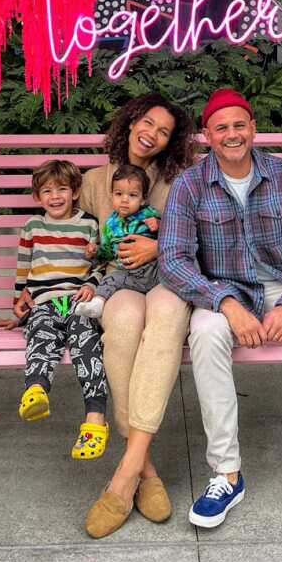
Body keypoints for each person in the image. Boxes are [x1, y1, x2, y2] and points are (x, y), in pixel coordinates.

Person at [159, 87, 282, 528]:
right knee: (208, 333)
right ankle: (226, 472)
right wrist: (225, 302)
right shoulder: (190, 184)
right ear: (206, 137)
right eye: (221, 128)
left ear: (253, 129)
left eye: (239, 125)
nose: (232, 134)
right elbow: (173, 259)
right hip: (222, 291)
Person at [79, 93, 196, 538]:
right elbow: (66, 228)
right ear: (130, 123)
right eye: (147, 123)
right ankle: (144, 469)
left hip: (169, 275)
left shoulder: (177, 182)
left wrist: (158, 244)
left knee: (164, 319)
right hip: (120, 280)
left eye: (164, 131)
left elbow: (199, 235)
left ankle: (123, 476)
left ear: (170, 143)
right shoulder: (94, 181)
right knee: (124, 323)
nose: (152, 134)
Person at [0, 159, 109, 461]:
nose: (55, 197)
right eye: (47, 191)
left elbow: (101, 265)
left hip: (78, 300)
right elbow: (24, 269)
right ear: (37, 197)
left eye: (62, 189)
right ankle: (37, 391)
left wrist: (92, 286)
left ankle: (94, 419)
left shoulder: (89, 224)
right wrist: (18, 309)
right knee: (42, 336)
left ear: (76, 192)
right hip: (44, 302)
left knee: (87, 345)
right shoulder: (33, 226)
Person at [75, 163, 161, 322]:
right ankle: (98, 304)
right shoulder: (110, 225)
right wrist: (95, 252)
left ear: (143, 199)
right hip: (129, 275)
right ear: (112, 195)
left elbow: (173, 236)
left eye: (133, 195)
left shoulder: (149, 214)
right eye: (119, 194)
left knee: (175, 270)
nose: (124, 200)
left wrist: (159, 225)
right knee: (110, 279)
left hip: (155, 270)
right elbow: (107, 253)